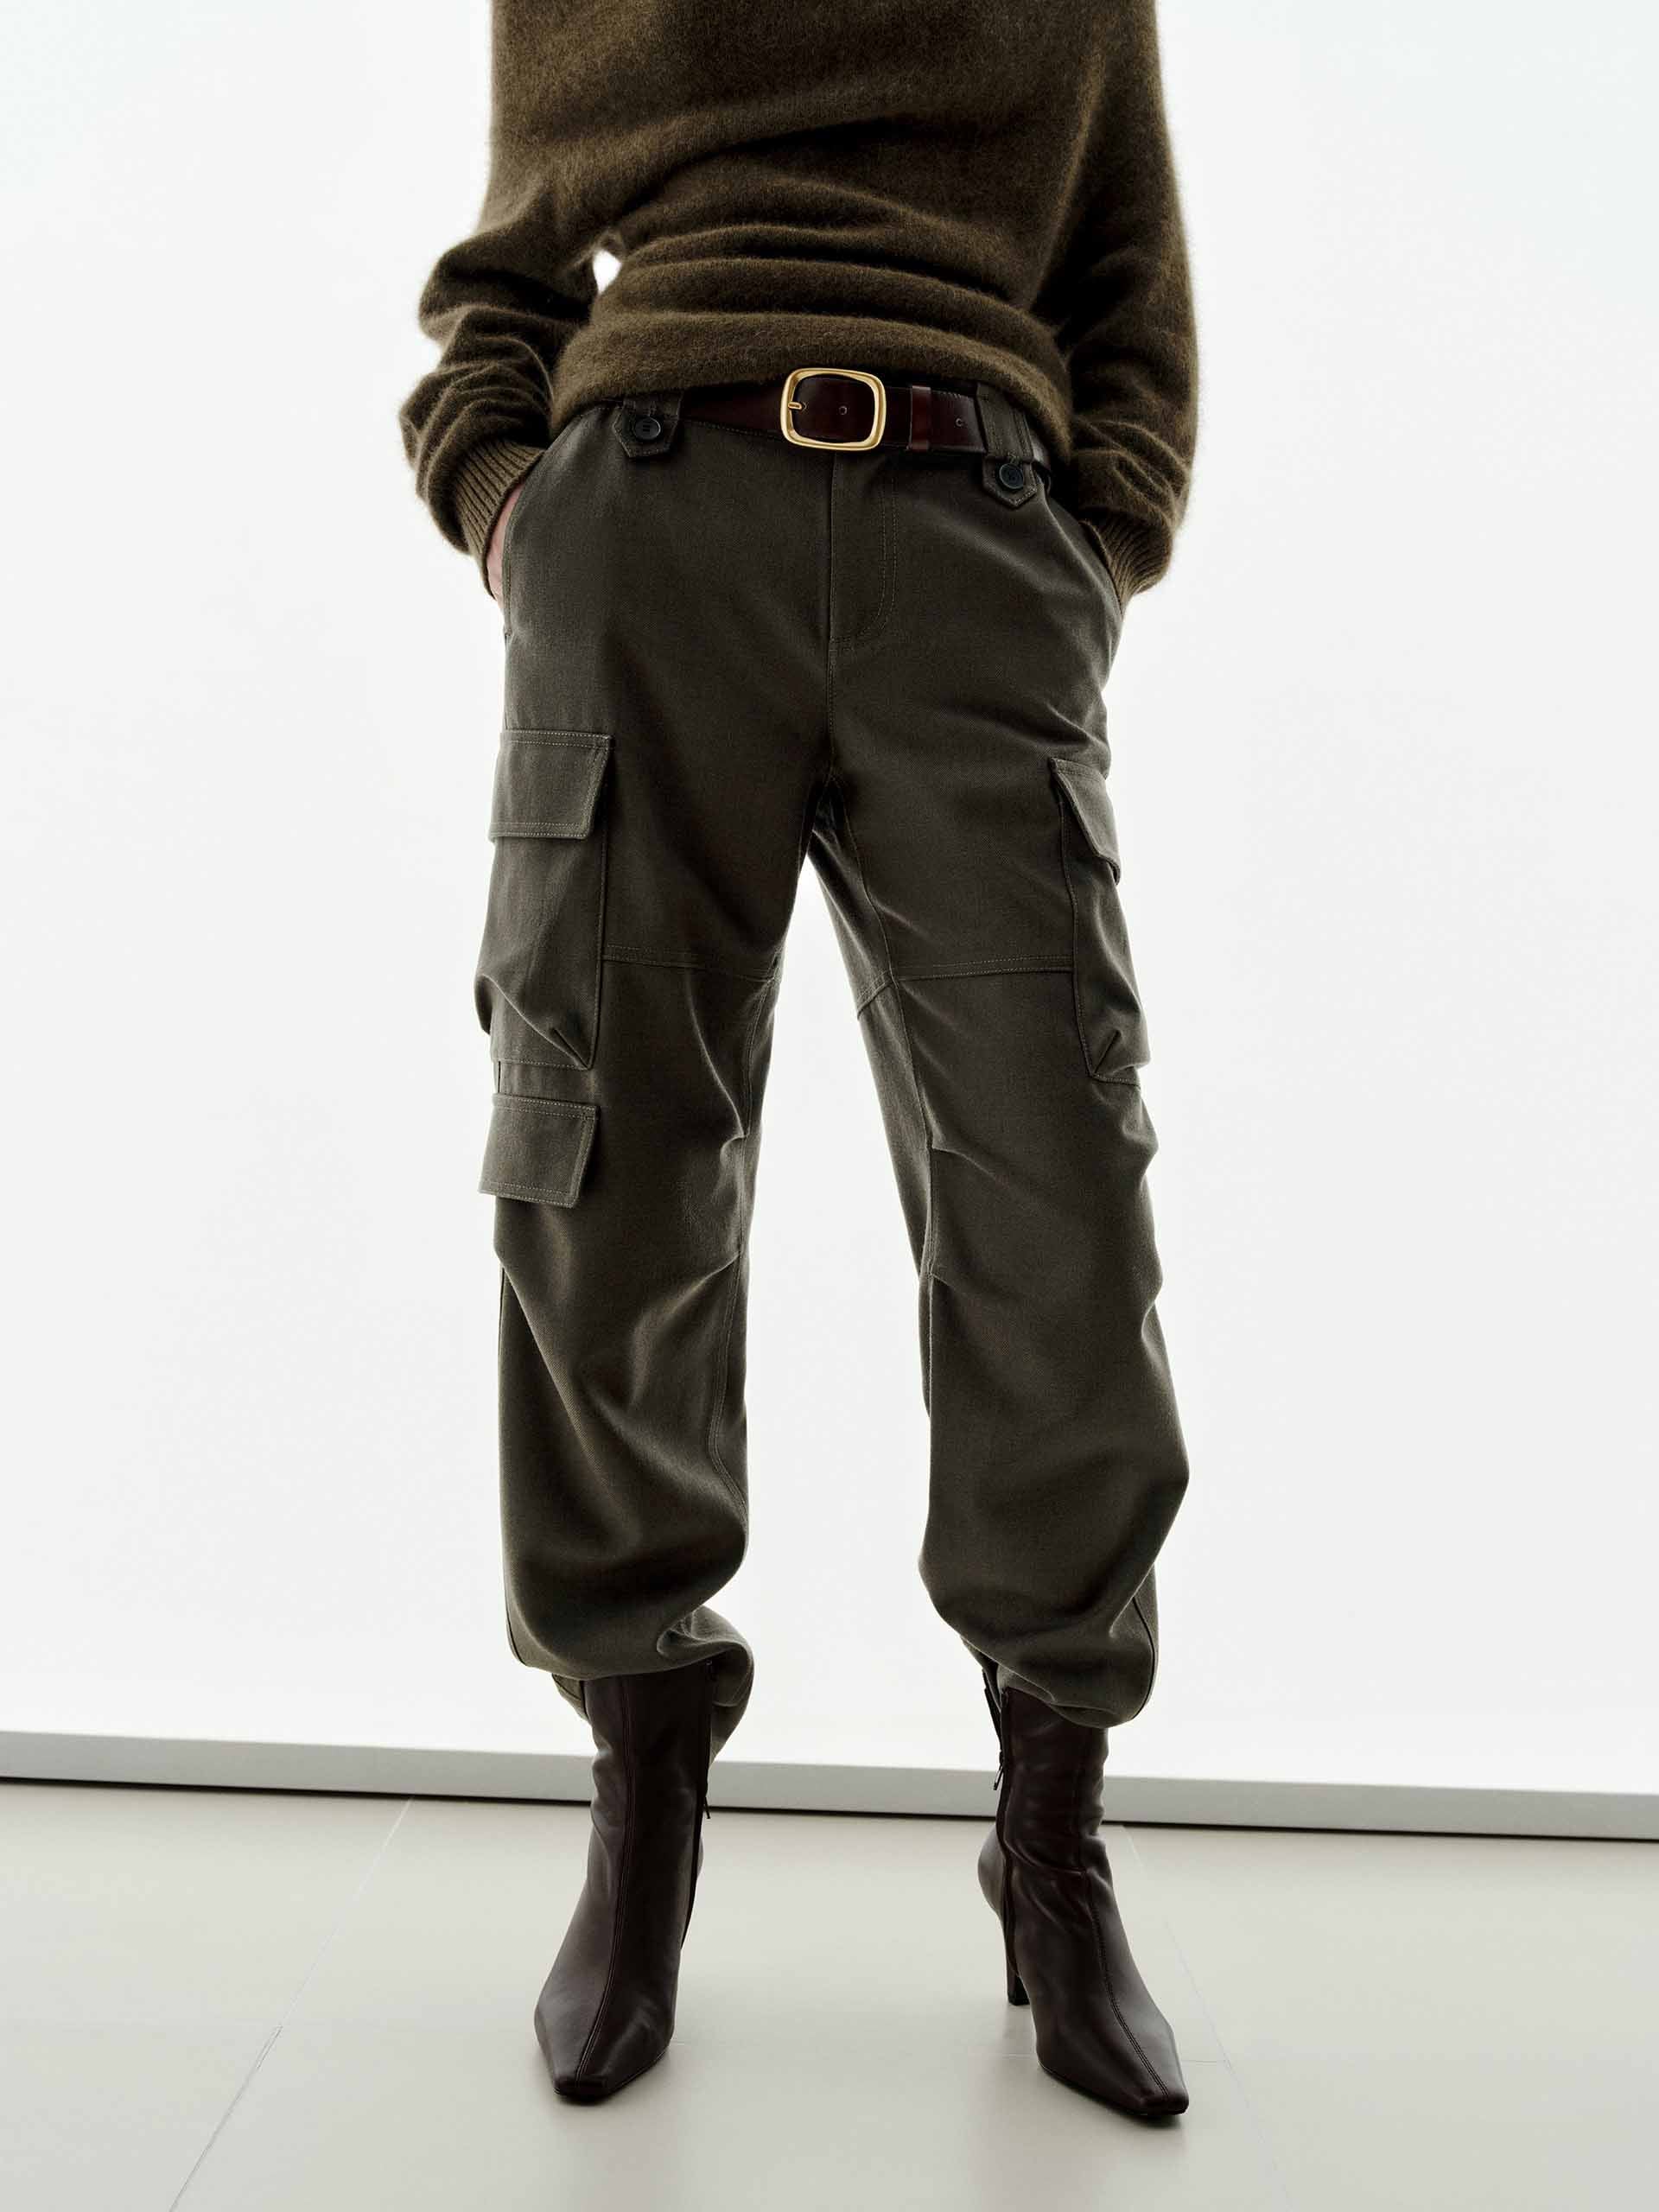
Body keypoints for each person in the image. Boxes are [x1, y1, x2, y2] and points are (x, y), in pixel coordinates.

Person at [400, 0, 1198, 2119]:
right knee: (601, 1171)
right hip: (650, 527)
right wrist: (514, 508)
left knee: (1059, 1182)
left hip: (977, 537)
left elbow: (1129, 278)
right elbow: (500, 276)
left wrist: (1092, 543)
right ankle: (641, 1781)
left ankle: (1053, 1831)